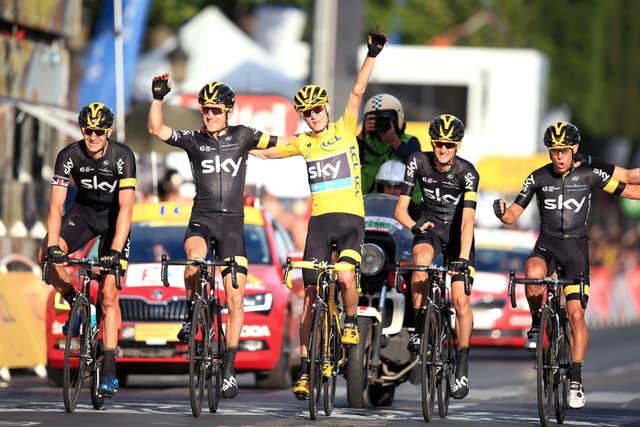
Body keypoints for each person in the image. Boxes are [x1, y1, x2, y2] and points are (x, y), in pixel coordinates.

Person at [250, 27, 389, 400]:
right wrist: (229, 141)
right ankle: (308, 368)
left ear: (326, 108)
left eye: (316, 109)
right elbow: (264, 151)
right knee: (310, 294)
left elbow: (358, 92)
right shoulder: (302, 142)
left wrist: (371, 54)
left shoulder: (345, 129)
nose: (312, 116)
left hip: (350, 222)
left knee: (345, 274)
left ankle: (348, 321)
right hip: (320, 224)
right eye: (306, 112)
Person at [147, 75, 290, 399]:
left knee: (235, 297)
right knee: (194, 261)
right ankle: (189, 316)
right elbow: (157, 129)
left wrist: (316, 142)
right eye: (204, 110)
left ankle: (227, 370)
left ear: (228, 111)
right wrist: (158, 97)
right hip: (202, 219)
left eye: (214, 110)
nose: (208, 115)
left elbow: (283, 143)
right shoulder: (194, 140)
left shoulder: (243, 136)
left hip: (232, 228)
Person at [493, 121, 640, 409]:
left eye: (564, 151)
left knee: (575, 315)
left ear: (573, 150)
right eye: (554, 151)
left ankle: (575, 378)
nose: (559, 156)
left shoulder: (589, 173)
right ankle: (537, 325)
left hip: (576, 248)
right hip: (548, 244)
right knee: (533, 274)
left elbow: (628, 189)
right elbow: (511, 216)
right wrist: (500, 212)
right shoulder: (537, 177)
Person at [40, 102, 136, 398]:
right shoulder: (69, 155)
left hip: (112, 220)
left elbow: (126, 207)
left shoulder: (122, 157)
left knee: (108, 295)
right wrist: (55, 244)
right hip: (82, 214)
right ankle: (75, 304)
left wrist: (116, 251)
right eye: (87, 131)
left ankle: (108, 369)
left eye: (98, 131)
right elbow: (57, 205)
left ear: (108, 132)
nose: (92, 137)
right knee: (46, 255)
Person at [394, 114, 479, 400]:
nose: (443, 150)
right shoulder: (418, 162)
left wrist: (463, 258)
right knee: (420, 258)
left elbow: (468, 221)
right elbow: (401, 211)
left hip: (458, 236)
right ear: (432, 143)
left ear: (458, 146)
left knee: (459, 299)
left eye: (449, 145)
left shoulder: (467, 173)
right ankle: (419, 328)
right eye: (439, 144)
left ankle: (463, 365)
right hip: (429, 226)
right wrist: (414, 226)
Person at [359, 93, 421, 204]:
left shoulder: (410, 141)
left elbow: (417, 163)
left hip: (406, 208)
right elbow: (348, 159)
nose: (379, 123)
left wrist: (394, 141)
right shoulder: (364, 143)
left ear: (398, 119)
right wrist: (362, 133)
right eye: (374, 119)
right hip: (369, 207)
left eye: (385, 119)